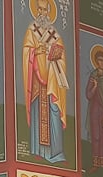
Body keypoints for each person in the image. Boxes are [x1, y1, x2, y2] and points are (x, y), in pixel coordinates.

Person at [22, 0, 68, 163]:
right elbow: (26, 52)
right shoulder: (31, 30)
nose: (42, 13)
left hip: (52, 81)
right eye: (40, 10)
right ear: (37, 11)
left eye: (45, 10)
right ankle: (39, 151)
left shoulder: (54, 34)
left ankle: (56, 152)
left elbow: (61, 55)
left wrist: (54, 54)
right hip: (37, 81)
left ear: (49, 12)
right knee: (38, 113)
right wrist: (35, 52)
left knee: (54, 112)